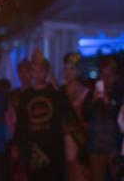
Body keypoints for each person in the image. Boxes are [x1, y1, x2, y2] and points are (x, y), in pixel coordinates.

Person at [13, 56, 64, 180]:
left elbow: (64, 114)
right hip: (32, 147)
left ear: (47, 72)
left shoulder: (55, 93)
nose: (37, 74)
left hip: (52, 146)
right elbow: (20, 122)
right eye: (34, 70)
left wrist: (58, 90)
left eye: (41, 70)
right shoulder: (26, 95)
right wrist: (16, 145)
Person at [61, 53, 91, 181]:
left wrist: (72, 129)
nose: (68, 73)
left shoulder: (87, 93)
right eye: (65, 69)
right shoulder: (60, 92)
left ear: (78, 70)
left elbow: (90, 123)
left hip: (81, 143)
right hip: (63, 145)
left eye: (71, 69)